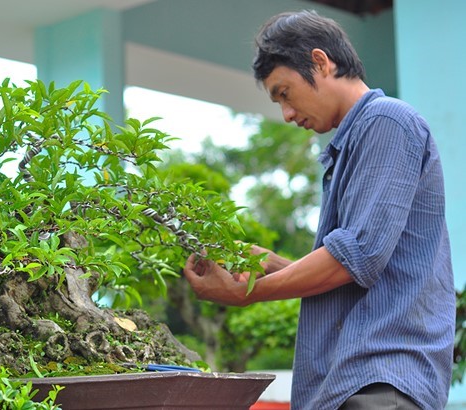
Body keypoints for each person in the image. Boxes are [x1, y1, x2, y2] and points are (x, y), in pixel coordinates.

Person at [182, 10, 454, 410]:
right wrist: (272, 264)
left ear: (321, 62)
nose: (287, 115)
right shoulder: (355, 141)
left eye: (285, 93)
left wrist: (247, 292)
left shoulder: (387, 121)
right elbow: (358, 270)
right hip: (359, 381)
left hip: (383, 380)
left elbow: (355, 258)